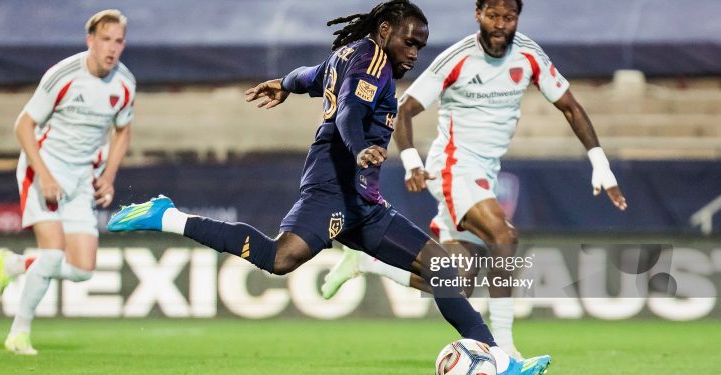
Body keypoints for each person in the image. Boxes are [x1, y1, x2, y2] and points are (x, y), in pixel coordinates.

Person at [107, 1, 549, 374]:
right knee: (281, 259)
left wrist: (283, 83)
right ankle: (168, 215)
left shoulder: (353, 54)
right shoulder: (373, 65)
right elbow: (347, 116)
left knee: (441, 267)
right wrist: (359, 149)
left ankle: (502, 360)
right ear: (385, 29)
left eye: (420, 46)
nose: (414, 53)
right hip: (332, 188)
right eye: (409, 42)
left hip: (365, 202)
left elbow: (312, 75)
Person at [321, 0, 627, 360]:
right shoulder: (458, 57)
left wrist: (600, 163)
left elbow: (571, 107)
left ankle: (368, 263)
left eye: (509, 17)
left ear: (517, 18)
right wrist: (410, 161)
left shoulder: (529, 55)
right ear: (478, 14)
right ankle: (506, 350)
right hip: (453, 165)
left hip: (486, 173)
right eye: (493, 16)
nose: (500, 25)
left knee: (456, 281)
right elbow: (406, 109)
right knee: (504, 236)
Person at [0, 9, 135, 355]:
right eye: (105, 39)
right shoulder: (63, 74)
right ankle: (18, 335)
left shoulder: (125, 84)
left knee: (83, 269)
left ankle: (13, 264)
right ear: (91, 41)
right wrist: (45, 175)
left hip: (81, 177)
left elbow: (124, 130)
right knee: (52, 255)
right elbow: (23, 125)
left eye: (118, 41)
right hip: (42, 166)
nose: (112, 48)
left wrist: (108, 177)